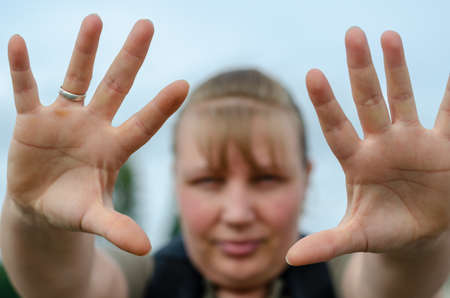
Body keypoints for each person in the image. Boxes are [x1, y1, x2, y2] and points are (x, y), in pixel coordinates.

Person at [1, 14, 449, 298]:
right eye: (208, 181)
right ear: (176, 182)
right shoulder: (144, 283)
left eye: (266, 178)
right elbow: (61, 282)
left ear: (307, 178)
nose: (237, 213)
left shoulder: (336, 280)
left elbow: (395, 283)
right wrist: (32, 218)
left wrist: (420, 243)